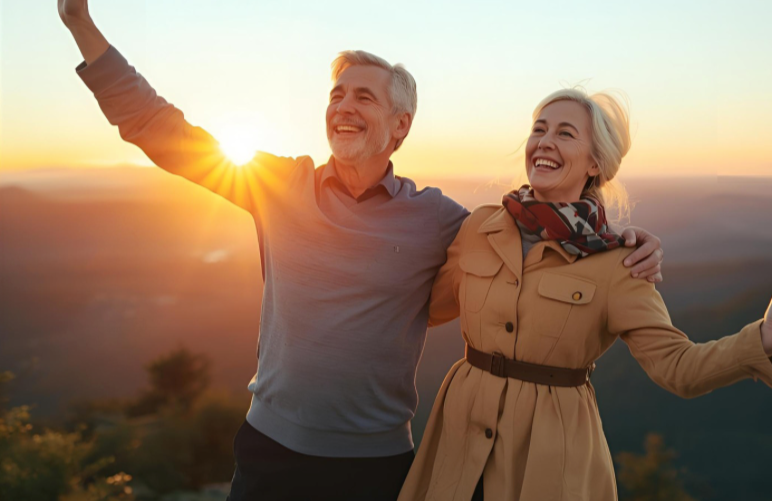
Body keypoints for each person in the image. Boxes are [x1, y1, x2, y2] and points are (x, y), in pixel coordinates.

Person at [56, 2, 668, 499]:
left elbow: (535, 248)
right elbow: (160, 129)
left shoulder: (438, 219)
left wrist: (624, 242)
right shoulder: (278, 184)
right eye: (337, 95)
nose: (344, 107)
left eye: (364, 97)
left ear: (400, 125)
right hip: (269, 452)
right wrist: (82, 25)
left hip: (375, 467)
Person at [397, 89, 772, 501]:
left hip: (550, 457)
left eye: (565, 133)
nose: (544, 141)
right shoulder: (479, 226)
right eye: (539, 129)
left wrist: (766, 336)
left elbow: (679, 369)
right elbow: (422, 308)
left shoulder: (620, 264)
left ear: (595, 162)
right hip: (456, 442)